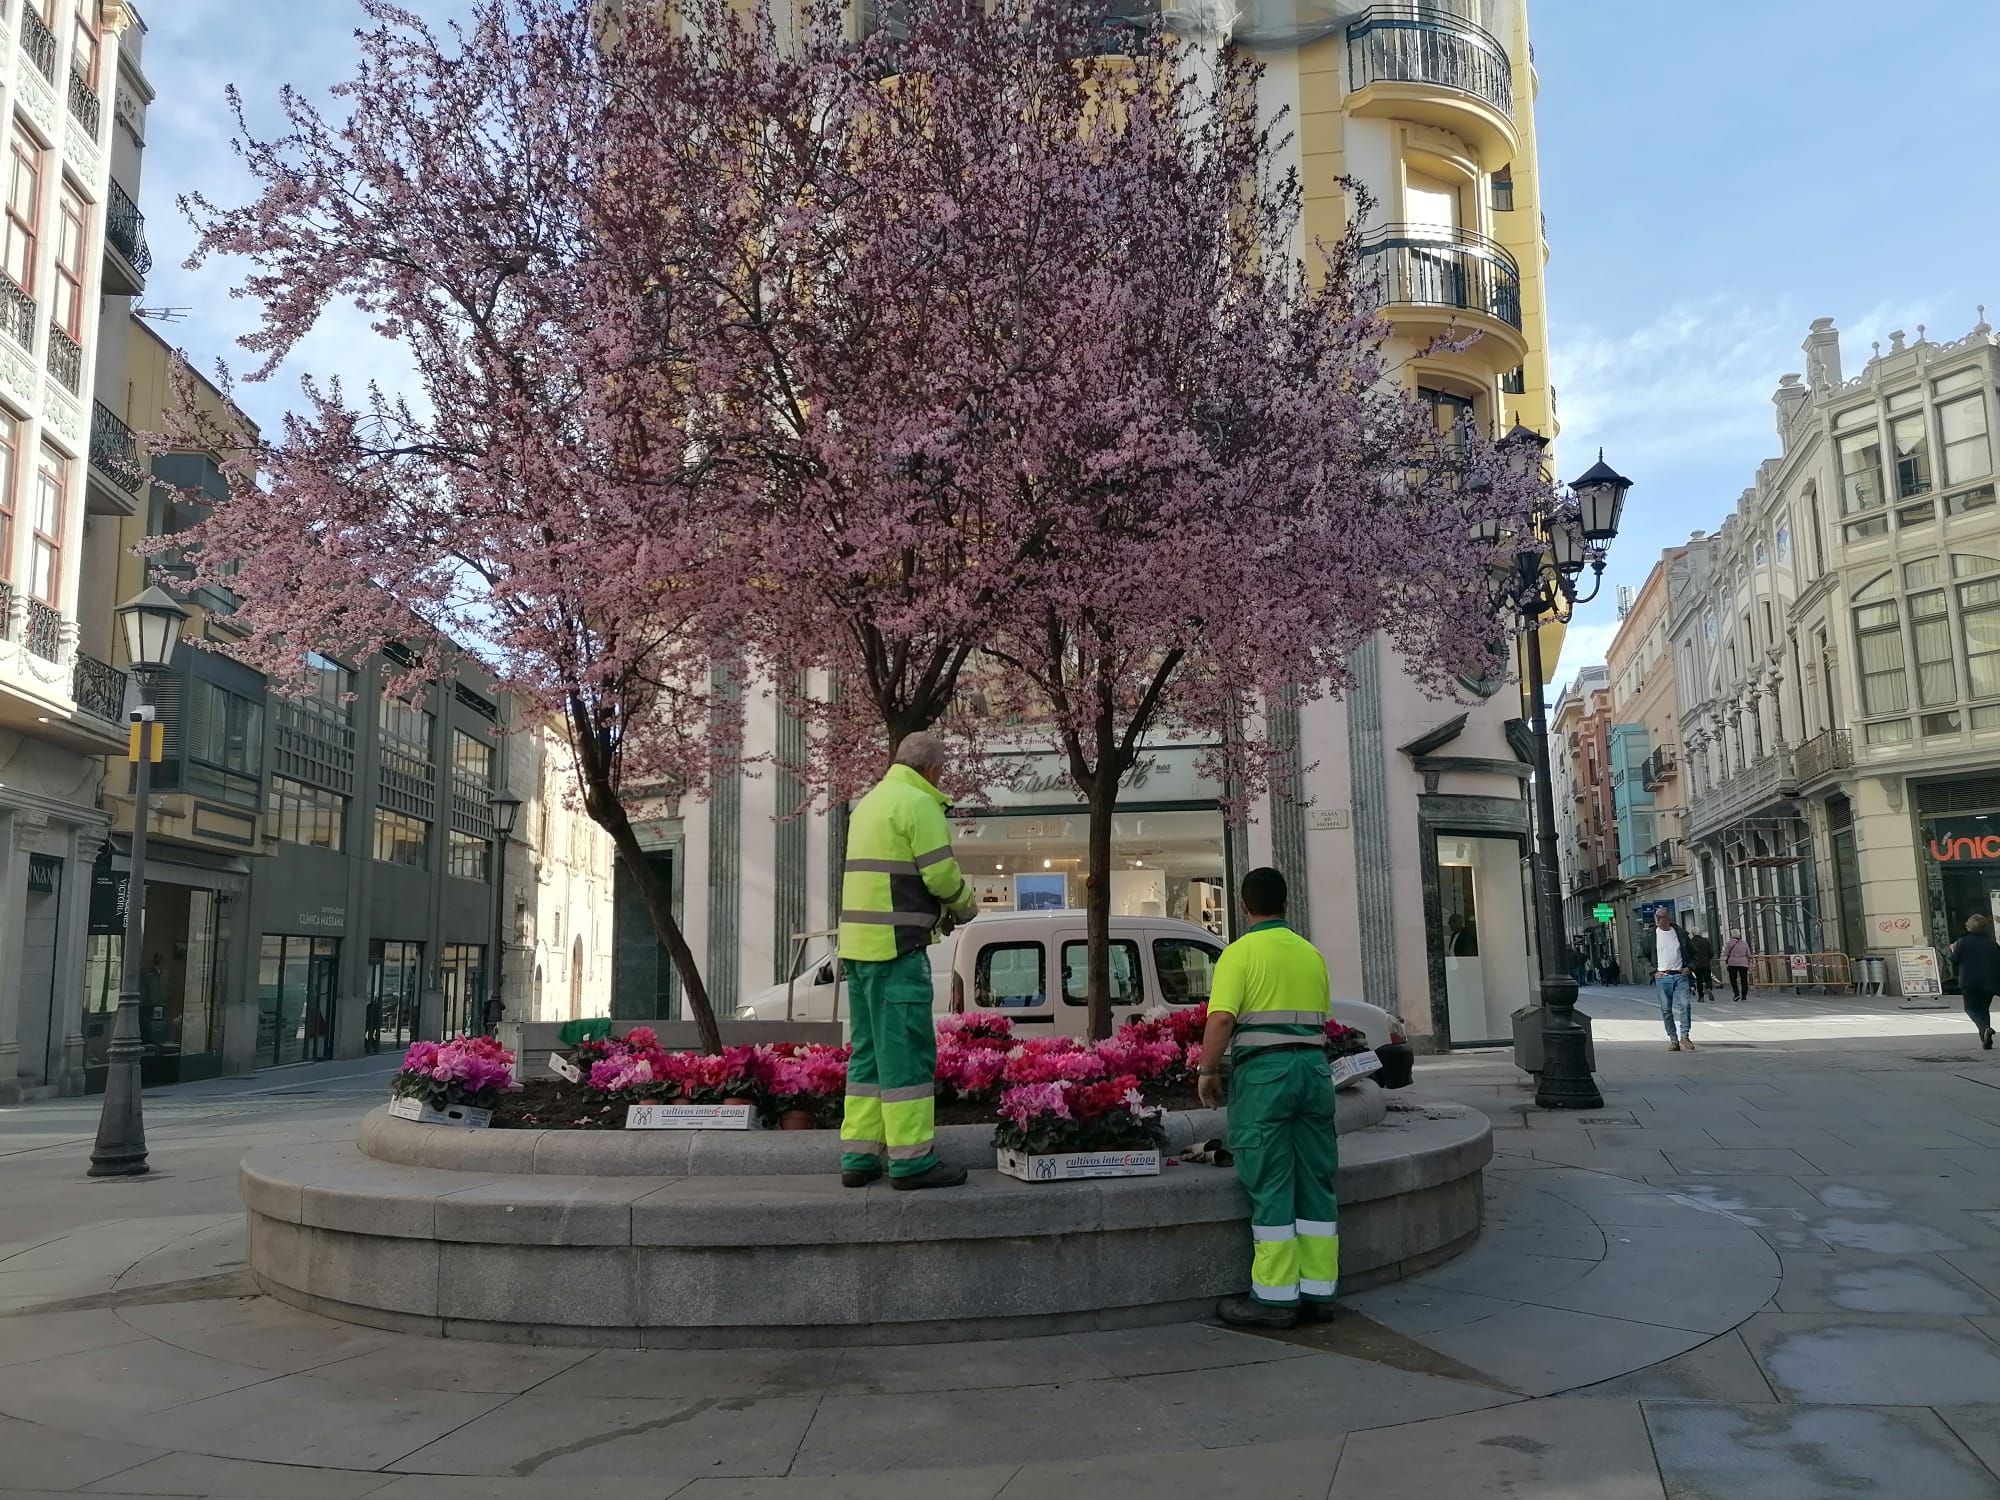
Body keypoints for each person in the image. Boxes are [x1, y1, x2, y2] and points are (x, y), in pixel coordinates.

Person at [1197, 867, 1338, 1330]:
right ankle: (1319, 1292)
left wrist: (1207, 1070)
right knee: (1316, 1181)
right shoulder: (1311, 954)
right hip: (1314, 1073)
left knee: (1271, 1183)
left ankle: (1275, 1299)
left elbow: (1220, 1021)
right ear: (1286, 904)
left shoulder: (1240, 954)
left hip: (1266, 1078)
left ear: (1243, 907)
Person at [836, 732, 978, 1191]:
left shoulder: (869, 804)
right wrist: (964, 904)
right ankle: (912, 1160)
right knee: (908, 1058)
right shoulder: (918, 804)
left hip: (858, 951)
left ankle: (859, 1157)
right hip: (897, 951)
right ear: (933, 770)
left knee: (869, 1058)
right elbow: (940, 875)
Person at [1650, 907, 1696, 1052]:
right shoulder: (1650, 936)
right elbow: (1641, 956)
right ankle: (1673, 1039)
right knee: (1666, 1009)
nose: (1657, 919)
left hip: (1680, 975)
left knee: (1685, 1004)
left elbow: (1695, 953)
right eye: (1656, 916)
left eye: (1660, 917)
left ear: (1668, 919)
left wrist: (1689, 967)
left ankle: (1685, 1035)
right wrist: (1653, 972)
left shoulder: (1680, 934)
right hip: (1662, 977)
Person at [1952, 915, 2000, 1050]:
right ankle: (1985, 1039)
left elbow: (1954, 960)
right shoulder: (1991, 942)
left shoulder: (1962, 942)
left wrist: (1953, 949)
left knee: (1971, 1008)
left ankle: (1985, 1029)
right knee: (1983, 1009)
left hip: (1969, 981)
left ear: (1969, 926)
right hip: (1989, 982)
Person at [1688, 928, 1717, 1003]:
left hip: (1696, 964)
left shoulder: (1691, 942)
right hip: (1706, 963)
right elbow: (1711, 952)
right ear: (1699, 932)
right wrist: (1708, 958)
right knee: (1707, 977)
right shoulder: (1705, 941)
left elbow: (1689, 954)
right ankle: (1709, 988)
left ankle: (1701, 996)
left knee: (1699, 980)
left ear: (1692, 933)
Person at [1723, 930, 1753, 1001]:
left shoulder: (1729, 943)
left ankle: (1736, 993)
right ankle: (1744, 995)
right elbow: (1748, 954)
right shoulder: (1744, 943)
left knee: (1733, 979)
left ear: (1732, 935)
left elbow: (1726, 953)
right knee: (1744, 979)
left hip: (1732, 963)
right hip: (1743, 963)